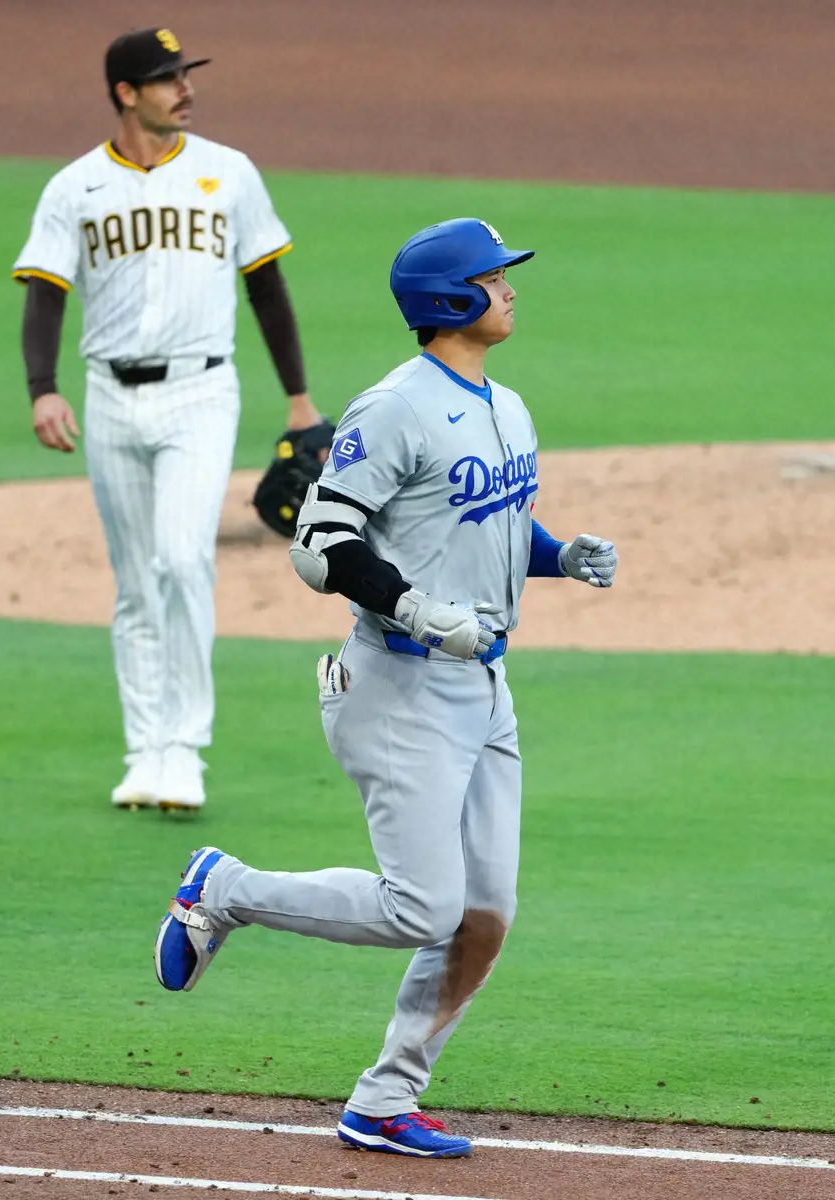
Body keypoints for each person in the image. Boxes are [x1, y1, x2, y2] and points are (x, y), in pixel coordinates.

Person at [153, 219, 619, 1157]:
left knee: (485, 917)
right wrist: (415, 611)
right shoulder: (393, 408)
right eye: (496, 276)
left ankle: (384, 1098)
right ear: (452, 299)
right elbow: (322, 546)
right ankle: (225, 890)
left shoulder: (507, 405)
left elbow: (489, 525)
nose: (511, 288)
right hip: (398, 689)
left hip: (485, 691)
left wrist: (559, 555)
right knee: (424, 909)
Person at [12, 27, 320, 811]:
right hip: (110, 397)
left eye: (185, 75)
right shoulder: (75, 189)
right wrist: (43, 388)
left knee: (182, 560)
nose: (184, 89)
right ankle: (143, 748)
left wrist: (297, 396)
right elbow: (46, 292)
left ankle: (184, 748)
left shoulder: (229, 173)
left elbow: (266, 289)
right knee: (134, 582)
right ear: (125, 93)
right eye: (166, 79)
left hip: (200, 394)